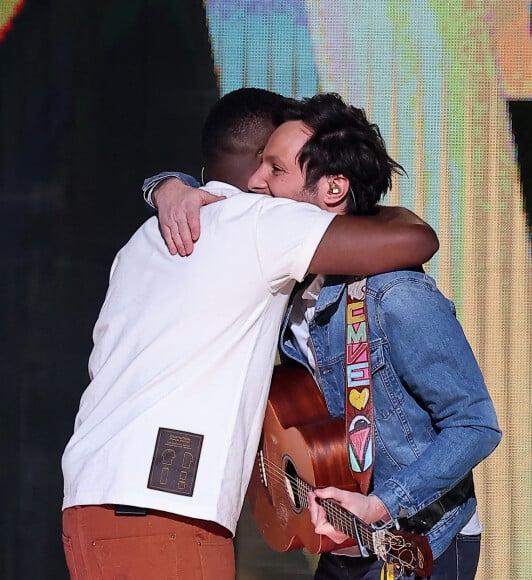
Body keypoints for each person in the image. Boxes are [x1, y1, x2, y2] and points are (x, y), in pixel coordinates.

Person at [61, 88, 438, 580]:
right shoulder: (258, 222)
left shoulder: (144, 237)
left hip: (89, 507)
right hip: (165, 514)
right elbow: (417, 239)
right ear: (259, 161)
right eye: (277, 164)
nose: (270, 179)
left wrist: (166, 185)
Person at [149, 92, 501, 579]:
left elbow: (475, 425)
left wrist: (380, 505)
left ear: (333, 188)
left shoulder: (396, 295)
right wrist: (168, 186)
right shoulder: (284, 285)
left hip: (419, 541)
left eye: (276, 170)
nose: (255, 182)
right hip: (345, 544)